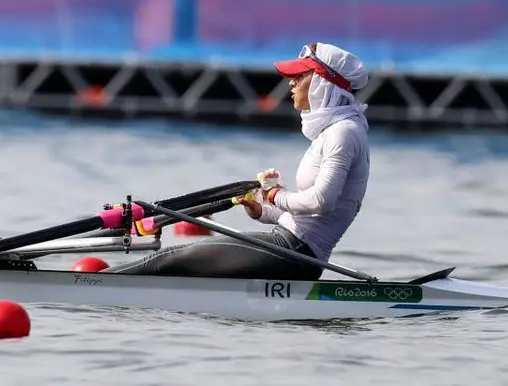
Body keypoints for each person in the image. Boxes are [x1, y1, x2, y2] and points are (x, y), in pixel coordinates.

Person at [106, 42, 371, 281]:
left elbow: (320, 202)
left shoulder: (343, 133)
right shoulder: (334, 131)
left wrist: (274, 194)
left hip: (296, 253)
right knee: (176, 262)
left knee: (166, 259)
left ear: (323, 84)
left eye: (299, 77)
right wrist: (262, 209)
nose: (290, 83)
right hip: (291, 248)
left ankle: (91, 285)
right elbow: (311, 216)